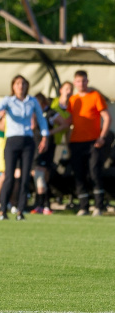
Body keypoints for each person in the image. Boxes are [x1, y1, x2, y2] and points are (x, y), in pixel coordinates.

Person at [0, 75, 48, 221]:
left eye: (23, 84)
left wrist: (44, 136)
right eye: (17, 84)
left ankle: (20, 210)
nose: (20, 86)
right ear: (13, 86)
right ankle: (3, 209)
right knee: (9, 176)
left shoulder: (32, 101)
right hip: (12, 140)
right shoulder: (8, 101)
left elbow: (41, 119)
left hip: (27, 140)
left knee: (25, 177)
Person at [68, 70, 111, 216]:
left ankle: (98, 206)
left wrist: (102, 136)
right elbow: (68, 121)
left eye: (84, 81)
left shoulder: (95, 96)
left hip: (93, 141)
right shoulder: (72, 100)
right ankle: (83, 207)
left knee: (94, 172)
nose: (81, 84)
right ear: (75, 83)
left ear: (88, 81)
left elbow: (107, 117)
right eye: (79, 81)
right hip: (75, 141)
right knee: (79, 174)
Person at [30, 93, 68, 215]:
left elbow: (64, 124)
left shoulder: (50, 113)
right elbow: (31, 127)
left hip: (46, 148)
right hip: (34, 147)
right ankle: (44, 205)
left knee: (40, 175)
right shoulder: (33, 113)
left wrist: (50, 132)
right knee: (40, 176)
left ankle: (42, 205)